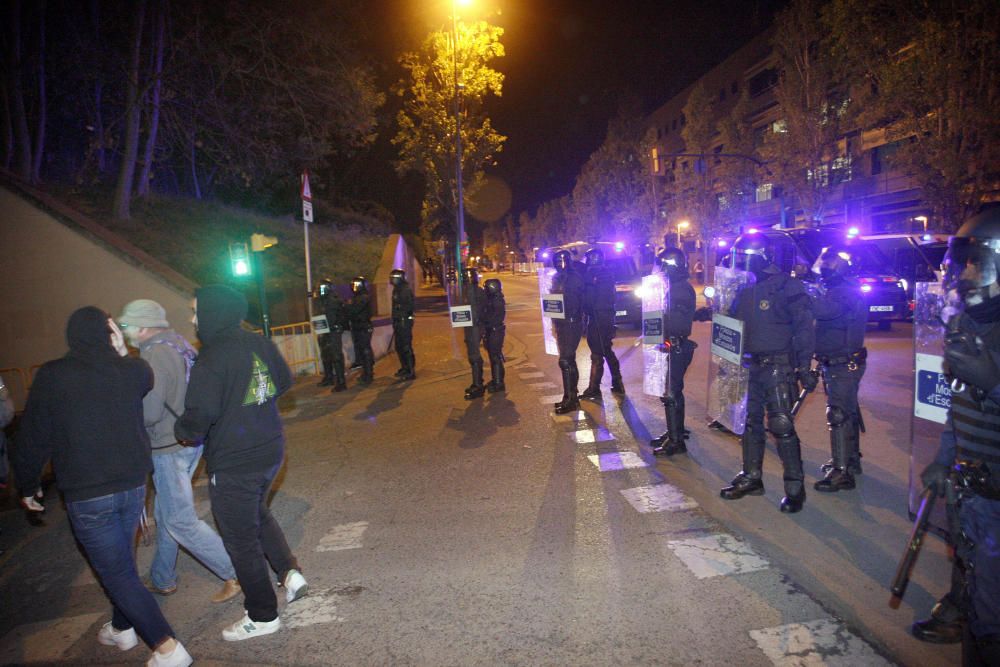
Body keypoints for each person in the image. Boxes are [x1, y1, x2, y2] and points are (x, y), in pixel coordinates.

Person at [14, 306, 193, 667]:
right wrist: (120, 350)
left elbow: (33, 437)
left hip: (88, 492)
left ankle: (168, 648)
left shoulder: (53, 376)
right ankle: (122, 627)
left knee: (117, 571)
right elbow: (137, 371)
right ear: (109, 334)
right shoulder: (133, 370)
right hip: (132, 486)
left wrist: (28, 484)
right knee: (120, 562)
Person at [174, 285, 307, 642]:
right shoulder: (259, 342)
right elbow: (283, 380)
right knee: (257, 514)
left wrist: (183, 431)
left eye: (195, 309)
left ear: (213, 311)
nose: (193, 317)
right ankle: (289, 573)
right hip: (270, 449)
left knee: (240, 539)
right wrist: (253, 407)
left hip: (236, 460)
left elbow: (200, 414)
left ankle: (262, 615)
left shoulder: (213, 356)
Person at [916, 206, 1000, 662]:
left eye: (976, 262)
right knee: (975, 610)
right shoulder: (971, 325)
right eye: (962, 261)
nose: (964, 273)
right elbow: (960, 406)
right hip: (973, 496)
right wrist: (944, 461)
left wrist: (996, 383)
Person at [117, 299, 240, 603]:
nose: (125, 331)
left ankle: (237, 571)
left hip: (167, 446)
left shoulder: (154, 356)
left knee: (180, 520)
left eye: (127, 325)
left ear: (143, 326)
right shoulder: (180, 344)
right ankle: (163, 577)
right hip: (188, 437)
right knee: (166, 512)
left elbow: (150, 412)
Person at [719, 232, 816, 513]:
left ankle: (795, 487)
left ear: (761, 256)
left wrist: (803, 367)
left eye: (744, 258)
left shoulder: (788, 286)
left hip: (778, 366)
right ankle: (751, 477)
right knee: (750, 425)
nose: (739, 264)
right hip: (751, 365)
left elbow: (803, 330)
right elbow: (735, 324)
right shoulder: (743, 288)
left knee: (782, 426)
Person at [809, 247, 868, 492]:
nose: (823, 269)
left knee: (838, 414)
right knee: (847, 412)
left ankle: (842, 472)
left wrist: (802, 296)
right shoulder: (840, 289)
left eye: (828, 265)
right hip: (838, 361)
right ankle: (849, 460)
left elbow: (825, 311)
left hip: (843, 362)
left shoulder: (845, 292)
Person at [650, 247, 705, 456]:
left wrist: (660, 327)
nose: (659, 269)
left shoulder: (680, 289)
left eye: (662, 265)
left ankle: (676, 442)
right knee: (670, 393)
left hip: (676, 345)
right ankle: (675, 432)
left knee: (672, 394)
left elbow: (678, 323)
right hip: (670, 344)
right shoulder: (672, 286)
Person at [579, 247, 625, 400]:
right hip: (605, 315)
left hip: (598, 316)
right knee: (606, 350)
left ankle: (594, 388)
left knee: (597, 354)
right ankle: (617, 382)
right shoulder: (606, 274)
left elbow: (589, 299)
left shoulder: (594, 275)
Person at [551, 249, 585, 414]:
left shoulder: (574, 278)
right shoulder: (557, 278)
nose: (560, 264)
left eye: (562, 260)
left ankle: (571, 399)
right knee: (568, 360)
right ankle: (570, 397)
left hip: (572, 323)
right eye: (557, 261)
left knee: (565, 361)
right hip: (561, 323)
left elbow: (578, 301)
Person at [461, 266, 488, 399]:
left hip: (475, 326)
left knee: (474, 355)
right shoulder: (466, 291)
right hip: (469, 326)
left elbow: (483, 309)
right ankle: (477, 382)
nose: (466, 279)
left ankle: (478, 384)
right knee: (472, 355)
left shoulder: (476, 291)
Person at [347, 276, 374, 385]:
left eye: (357, 285)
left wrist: (348, 305)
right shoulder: (357, 297)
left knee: (365, 351)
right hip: (357, 326)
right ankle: (366, 372)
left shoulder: (363, 297)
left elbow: (354, 310)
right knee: (361, 351)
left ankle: (368, 374)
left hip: (363, 327)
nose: (354, 287)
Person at [390, 268, 416, 381]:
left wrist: (402, 313)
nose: (393, 280)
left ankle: (410, 370)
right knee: (399, 346)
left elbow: (410, 306)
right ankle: (404, 367)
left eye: (395, 278)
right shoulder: (396, 290)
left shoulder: (405, 290)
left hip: (404, 322)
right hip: (398, 321)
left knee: (406, 346)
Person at [482, 278, 507, 392]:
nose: (485, 290)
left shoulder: (496, 301)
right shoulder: (494, 299)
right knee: (494, 356)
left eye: (486, 288)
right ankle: (497, 379)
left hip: (495, 330)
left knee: (495, 357)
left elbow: (492, 317)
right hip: (493, 330)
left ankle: (498, 382)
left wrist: (483, 321)